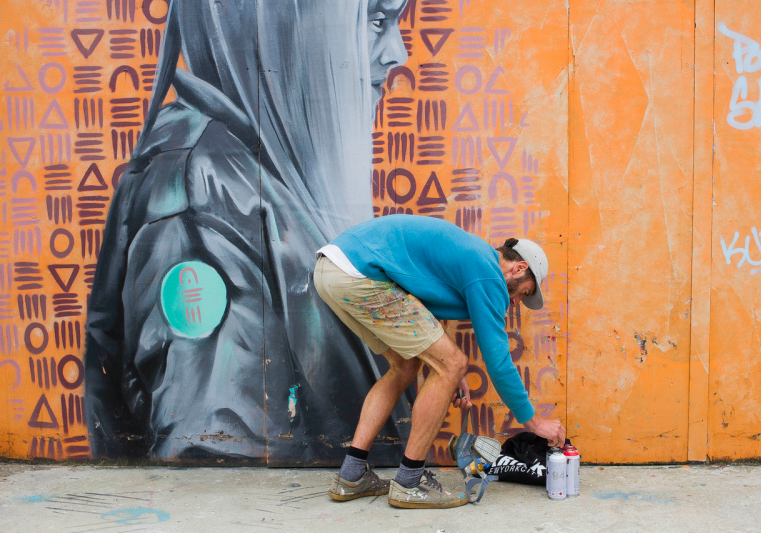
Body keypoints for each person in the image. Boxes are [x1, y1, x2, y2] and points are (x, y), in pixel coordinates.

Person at [84, 0, 412, 462]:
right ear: (285, 24)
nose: (397, 54)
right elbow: (212, 454)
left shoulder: (251, 171)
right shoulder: (199, 205)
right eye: (375, 22)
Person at [315, 214, 567, 509]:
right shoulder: (488, 273)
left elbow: (421, 311)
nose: (514, 302)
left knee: (406, 365)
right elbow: (498, 363)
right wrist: (535, 422)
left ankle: (352, 475)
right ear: (519, 268)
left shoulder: (473, 257)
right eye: (522, 293)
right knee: (452, 363)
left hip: (331, 269)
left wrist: (446, 367)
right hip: (360, 274)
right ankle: (410, 482)